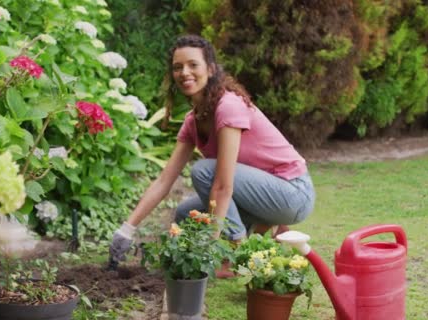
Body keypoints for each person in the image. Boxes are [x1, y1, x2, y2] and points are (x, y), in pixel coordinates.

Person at [108, 34, 315, 274]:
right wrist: (127, 228)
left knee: (204, 171)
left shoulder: (228, 106)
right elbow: (164, 180)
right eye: (178, 67)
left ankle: (238, 255)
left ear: (211, 69)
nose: (185, 72)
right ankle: (260, 226)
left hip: (293, 194)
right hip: (267, 194)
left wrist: (212, 246)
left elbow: (223, 186)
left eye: (193, 65)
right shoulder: (193, 120)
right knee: (187, 213)